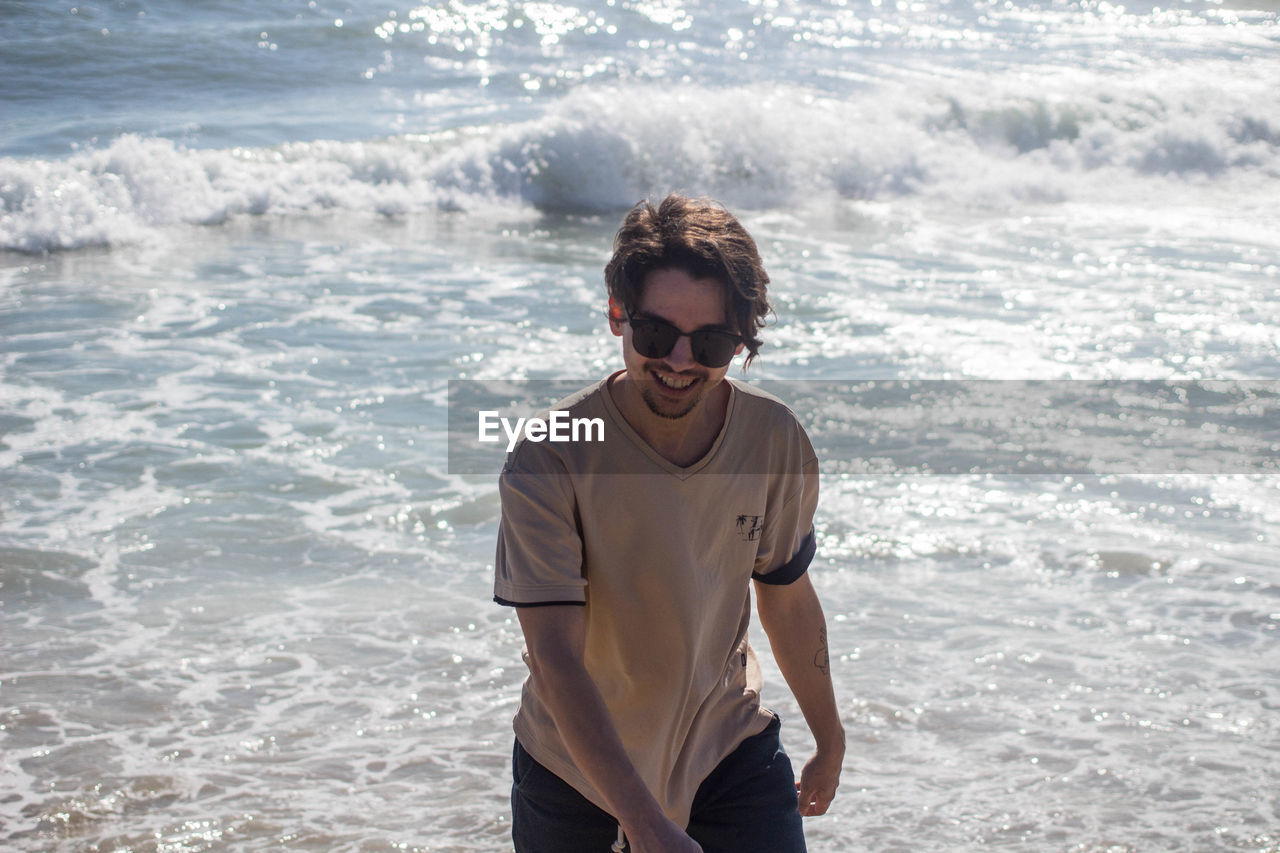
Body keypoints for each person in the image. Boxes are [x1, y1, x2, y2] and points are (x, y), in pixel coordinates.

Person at [494, 194, 845, 853]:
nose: (681, 360)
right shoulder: (548, 454)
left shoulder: (773, 437)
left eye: (710, 341)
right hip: (575, 768)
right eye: (656, 335)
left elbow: (788, 596)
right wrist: (647, 823)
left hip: (726, 746)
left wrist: (830, 737)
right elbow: (555, 655)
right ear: (616, 315)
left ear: (740, 342)